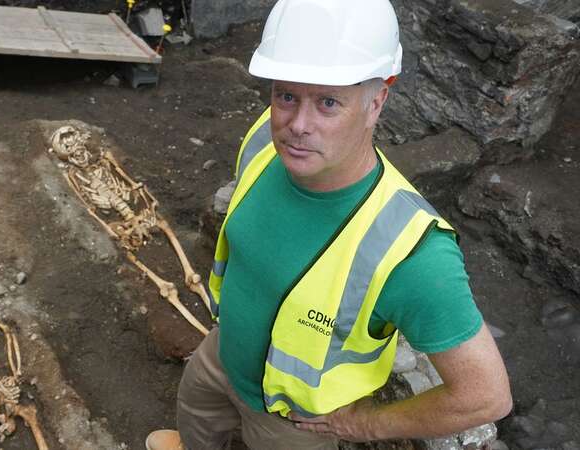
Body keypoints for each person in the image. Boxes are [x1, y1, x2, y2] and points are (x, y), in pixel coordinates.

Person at [146, 0, 512, 448]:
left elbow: (485, 396)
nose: (297, 125)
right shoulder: (266, 140)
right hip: (220, 357)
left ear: (377, 101)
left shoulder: (413, 253)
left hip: (292, 423)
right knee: (196, 421)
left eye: (328, 102)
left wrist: (367, 425)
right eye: (286, 95)